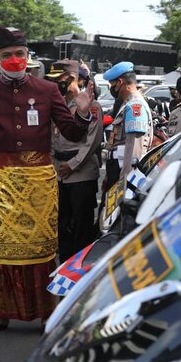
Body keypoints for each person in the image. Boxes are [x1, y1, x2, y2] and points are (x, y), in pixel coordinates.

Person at [0, 26, 94, 336]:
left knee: (41, 250)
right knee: (0, 249)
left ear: (27, 56)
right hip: (1, 179)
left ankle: (47, 313)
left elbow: (72, 133)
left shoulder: (47, 89)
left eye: (19, 54)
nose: (14, 59)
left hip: (39, 181)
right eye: (7, 55)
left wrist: (83, 112)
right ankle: (0, 313)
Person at [46, 59, 103, 262]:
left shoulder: (91, 105)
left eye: (57, 80)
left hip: (81, 173)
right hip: (59, 173)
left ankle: (80, 271)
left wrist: (72, 165)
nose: (54, 84)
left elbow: (92, 142)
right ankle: (64, 270)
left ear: (71, 79)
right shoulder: (57, 105)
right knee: (62, 225)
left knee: (81, 226)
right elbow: (51, 137)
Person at [102, 61, 153, 190]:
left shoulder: (135, 106)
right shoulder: (127, 104)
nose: (111, 88)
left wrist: (125, 182)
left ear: (120, 82)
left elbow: (134, 148)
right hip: (115, 169)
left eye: (112, 84)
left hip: (123, 173)